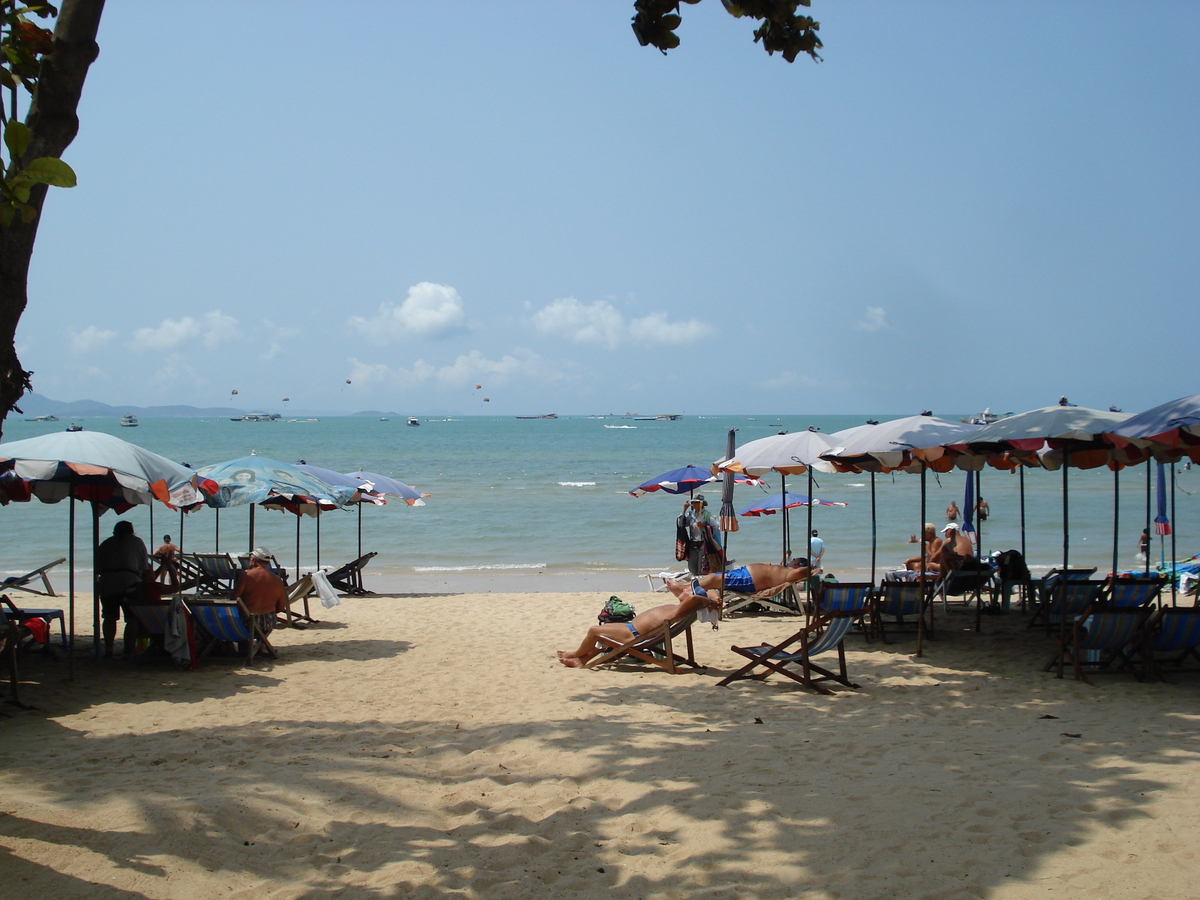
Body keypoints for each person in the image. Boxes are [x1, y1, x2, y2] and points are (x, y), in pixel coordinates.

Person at [558, 583, 718, 668]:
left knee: (594, 630)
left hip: (634, 635)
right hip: (632, 630)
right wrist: (713, 599)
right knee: (606, 634)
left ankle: (576, 654)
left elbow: (695, 599)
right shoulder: (681, 608)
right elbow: (709, 590)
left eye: (688, 591)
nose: (684, 590)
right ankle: (582, 661)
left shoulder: (679, 611)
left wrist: (708, 601)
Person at [96, 520, 152, 658]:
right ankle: (128, 650)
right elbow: (144, 566)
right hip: (129, 581)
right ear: (131, 531)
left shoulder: (106, 543)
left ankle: (109, 648)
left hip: (107, 582)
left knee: (109, 616)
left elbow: (98, 567)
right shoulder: (137, 542)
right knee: (132, 618)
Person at [665, 559, 818, 598]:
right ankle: (685, 587)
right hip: (745, 575)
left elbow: (806, 570)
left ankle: (682, 588)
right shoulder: (785, 571)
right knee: (713, 577)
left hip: (748, 580)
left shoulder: (790, 573)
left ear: (797, 564)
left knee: (712, 580)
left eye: (795, 561)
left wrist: (812, 565)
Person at [231, 547, 288, 641]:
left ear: (253, 560)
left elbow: (233, 600)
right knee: (264, 626)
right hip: (269, 622)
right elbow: (281, 608)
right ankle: (261, 645)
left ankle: (248, 646)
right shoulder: (277, 580)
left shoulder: (246, 575)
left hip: (248, 622)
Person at [681, 494, 721, 577]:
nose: (694, 504)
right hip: (693, 543)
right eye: (693, 503)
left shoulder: (707, 515)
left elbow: (716, 527)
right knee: (692, 567)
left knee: (701, 568)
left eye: (696, 502)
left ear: (701, 504)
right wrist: (683, 511)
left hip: (703, 544)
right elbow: (682, 524)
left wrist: (704, 527)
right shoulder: (691, 514)